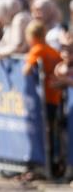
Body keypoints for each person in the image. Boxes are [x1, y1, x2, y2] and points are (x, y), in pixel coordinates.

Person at [23, 20, 63, 177]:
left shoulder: (37, 50)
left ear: (32, 36)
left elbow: (25, 70)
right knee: (53, 132)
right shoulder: (52, 50)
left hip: (44, 99)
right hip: (55, 96)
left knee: (46, 133)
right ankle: (53, 166)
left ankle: (47, 167)